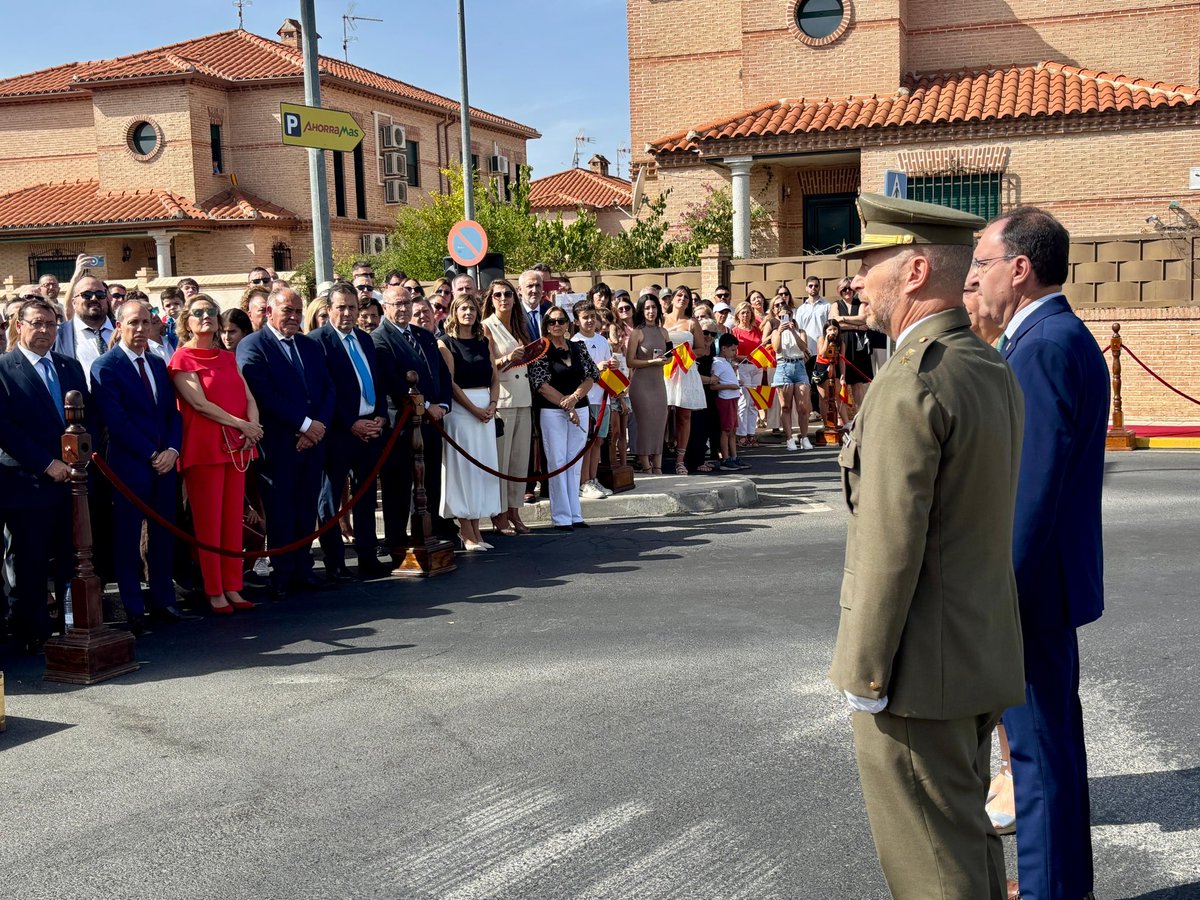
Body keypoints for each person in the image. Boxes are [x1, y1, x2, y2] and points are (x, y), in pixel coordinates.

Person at [830, 193, 1025, 899]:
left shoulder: (913, 380)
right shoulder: (984, 363)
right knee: (967, 851)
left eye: (870, 263)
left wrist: (863, 674)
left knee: (932, 873)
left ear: (914, 272)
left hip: (917, 676)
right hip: (975, 652)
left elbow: (889, 546)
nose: (857, 280)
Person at [967, 207, 1109, 900]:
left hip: (1029, 589)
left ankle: (1054, 891)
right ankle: (1063, 884)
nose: (975, 278)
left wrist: (997, 592)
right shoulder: (1049, 336)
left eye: (982, 264)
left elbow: (1032, 489)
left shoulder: (1044, 344)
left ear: (1019, 268)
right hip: (1045, 584)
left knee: (1039, 754)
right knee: (1048, 748)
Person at [90, 300, 193, 633]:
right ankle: (133, 608)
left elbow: (172, 414)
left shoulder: (157, 362)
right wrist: (152, 453)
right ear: (119, 325)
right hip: (130, 467)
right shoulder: (106, 366)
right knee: (127, 538)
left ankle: (164, 600)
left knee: (163, 536)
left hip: (165, 466)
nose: (140, 329)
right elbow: (116, 422)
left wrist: (174, 450)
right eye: (133, 323)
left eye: (145, 323)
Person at [236, 287, 334, 600]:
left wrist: (317, 428)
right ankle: (282, 574)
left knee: (306, 508)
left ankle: (304, 568)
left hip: (312, 444)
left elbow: (327, 389)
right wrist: (305, 425)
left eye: (296, 311)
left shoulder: (308, 345)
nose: (292, 317)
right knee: (280, 512)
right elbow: (263, 394)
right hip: (278, 446)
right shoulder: (253, 346)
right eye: (286, 311)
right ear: (269, 312)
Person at [0, 298, 86, 653]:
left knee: (71, 557)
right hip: (27, 482)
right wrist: (45, 463)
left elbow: (85, 417)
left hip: (72, 484)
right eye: (36, 323)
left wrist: (80, 460)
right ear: (19, 325)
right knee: (30, 560)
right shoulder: (4, 368)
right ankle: (30, 631)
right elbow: (5, 429)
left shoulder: (69, 366)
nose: (44, 331)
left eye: (50, 325)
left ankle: (69, 624)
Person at [169, 294, 263, 615]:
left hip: (236, 447)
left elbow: (248, 394)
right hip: (204, 448)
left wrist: (253, 425)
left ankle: (233, 585)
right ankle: (214, 590)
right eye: (198, 312)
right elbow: (199, 404)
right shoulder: (183, 358)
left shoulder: (226, 357)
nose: (206, 316)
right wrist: (243, 426)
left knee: (231, 523)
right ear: (187, 321)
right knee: (209, 524)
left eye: (211, 311)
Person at [313, 283, 389, 579]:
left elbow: (376, 381)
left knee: (366, 495)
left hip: (370, 428)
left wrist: (380, 416)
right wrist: (350, 423)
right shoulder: (318, 342)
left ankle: (368, 555)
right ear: (329, 309)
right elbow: (323, 392)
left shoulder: (365, 340)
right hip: (338, 433)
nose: (347, 313)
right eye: (341, 307)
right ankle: (335, 561)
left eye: (352, 307)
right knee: (330, 497)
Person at [372, 284, 454, 553]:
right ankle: (396, 540)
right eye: (397, 304)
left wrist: (441, 404)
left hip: (432, 423)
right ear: (385, 308)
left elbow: (441, 374)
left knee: (430, 480)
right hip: (402, 425)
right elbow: (394, 382)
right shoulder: (379, 339)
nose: (404, 308)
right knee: (399, 483)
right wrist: (426, 405)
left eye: (407, 303)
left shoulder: (424, 335)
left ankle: (427, 533)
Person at [437, 295, 502, 550]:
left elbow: (494, 376)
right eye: (463, 308)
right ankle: (466, 531)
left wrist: (492, 405)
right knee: (463, 469)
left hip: (486, 408)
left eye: (472, 309)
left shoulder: (483, 340)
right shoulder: (446, 343)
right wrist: (474, 409)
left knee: (481, 470)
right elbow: (450, 383)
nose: (468, 313)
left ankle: (477, 529)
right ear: (454, 312)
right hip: (462, 412)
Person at [528, 307, 599, 531]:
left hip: (581, 408)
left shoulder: (578, 347)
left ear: (568, 324)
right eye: (551, 322)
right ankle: (561, 516)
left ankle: (575, 513)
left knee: (574, 463)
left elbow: (591, 376)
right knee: (558, 462)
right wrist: (566, 405)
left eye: (561, 321)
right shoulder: (540, 350)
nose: (556, 325)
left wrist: (575, 399)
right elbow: (541, 385)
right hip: (552, 412)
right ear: (546, 325)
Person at [481, 277, 533, 535]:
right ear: (491, 299)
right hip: (503, 399)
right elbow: (488, 366)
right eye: (498, 295)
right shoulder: (487, 326)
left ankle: (515, 509)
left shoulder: (520, 325)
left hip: (524, 397)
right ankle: (499, 513)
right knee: (500, 461)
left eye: (508, 294)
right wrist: (507, 358)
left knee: (519, 461)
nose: (503, 299)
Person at [571, 302, 616, 499]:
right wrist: (597, 367)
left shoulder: (603, 340)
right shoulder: (575, 342)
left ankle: (593, 477)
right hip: (586, 399)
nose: (589, 321)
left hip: (602, 397)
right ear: (576, 321)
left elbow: (608, 368)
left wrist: (612, 365)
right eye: (585, 317)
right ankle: (583, 482)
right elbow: (577, 373)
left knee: (598, 440)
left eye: (592, 316)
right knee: (586, 442)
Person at [662, 286, 707, 476]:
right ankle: (656, 460)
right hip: (664, 371)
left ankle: (680, 461)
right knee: (662, 416)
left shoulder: (692, 322)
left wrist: (684, 354)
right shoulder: (661, 319)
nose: (683, 299)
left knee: (684, 416)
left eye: (686, 297)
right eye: (679, 295)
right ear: (672, 299)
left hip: (686, 371)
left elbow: (702, 349)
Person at [626, 293, 670, 474]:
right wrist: (650, 363)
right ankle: (646, 465)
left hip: (658, 383)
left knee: (660, 422)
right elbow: (630, 362)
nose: (651, 311)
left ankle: (658, 465)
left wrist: (666, 360)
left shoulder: (663, 331)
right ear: (641, 311)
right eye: (647, 308)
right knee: (644, 424)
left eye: (653, 307)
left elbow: (670, 354)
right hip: (641, 384)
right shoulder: (637, 332)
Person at [765, 292, 813, 451]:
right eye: (782, 316)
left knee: (803, 407)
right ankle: (789, 438)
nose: (785, 318)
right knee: (785, 406)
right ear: (778, 317)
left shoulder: (801, 331)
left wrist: (793, 331)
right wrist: (780, 330)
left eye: (788, 316)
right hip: (783, 366)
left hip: (799, 366)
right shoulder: (775, 331)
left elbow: (804, 347)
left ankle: (805, 437)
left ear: (792, 316)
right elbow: (777, 348)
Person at [53, 275, 114, 385]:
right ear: (74, 302)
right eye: (87, 295)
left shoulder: (124, 330)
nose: (94, 298)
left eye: (100, 295)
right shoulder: (57, 335)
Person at [834, 277, 875, 406]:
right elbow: (834, 323)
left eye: (849, 288)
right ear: (839, 291)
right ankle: (843, 417)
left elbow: (863, 318)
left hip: (858, 346)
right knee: (841, 380)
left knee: (857, 382)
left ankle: (860, 413)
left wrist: (843, 318)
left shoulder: (860, 303)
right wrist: (856, 326)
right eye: (844, 289)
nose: (847, 291)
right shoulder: (835, 304)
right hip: (842, 344)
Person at [730, 302, 764, 447]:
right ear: (738, 314)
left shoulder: (757, 331)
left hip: (757, 368)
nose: (745, 315)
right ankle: (742, 434)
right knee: (744, 401)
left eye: (748, 312)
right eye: (743, 312)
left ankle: (751, 433)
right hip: (742, 367)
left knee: (754, 402)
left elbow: (763, 348)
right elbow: (732, 354)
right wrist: (746, 357)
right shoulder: (735, 331)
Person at [710, 333, 743, 469]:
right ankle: (725, 458)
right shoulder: (717, 363)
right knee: (725, 430)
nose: (735, 353)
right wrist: (731, 386)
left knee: (733, 429)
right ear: (723, 348)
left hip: (733, 398)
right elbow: (713, 385)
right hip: (725, 399)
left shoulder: (726, 363)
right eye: (732, 350)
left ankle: (734, 457)